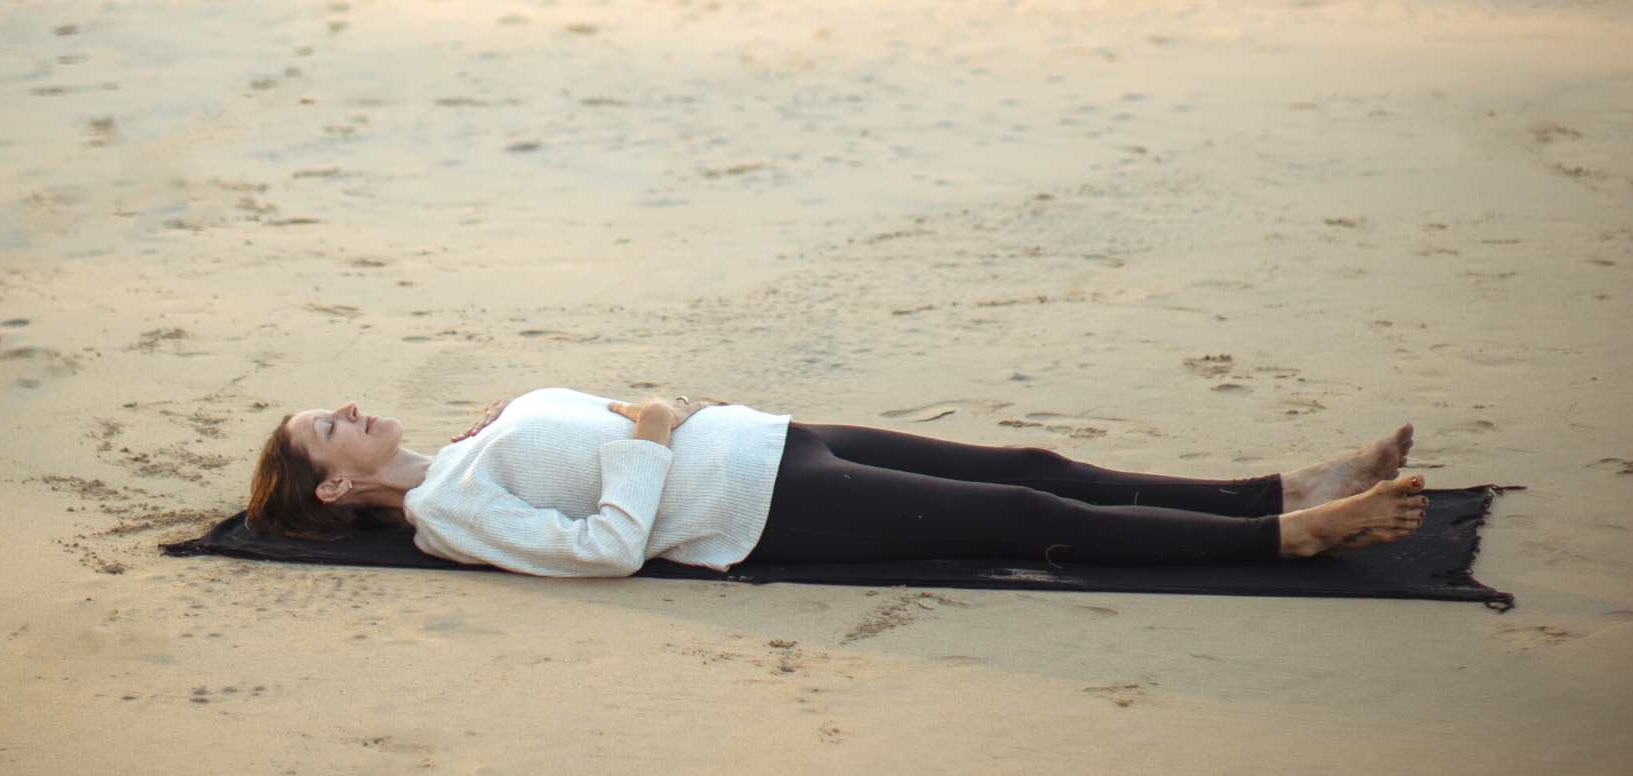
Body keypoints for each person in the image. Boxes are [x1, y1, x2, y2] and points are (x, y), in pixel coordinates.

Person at [245, 387, 1428, 577]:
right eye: (326, 430)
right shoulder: (449, 514)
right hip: (758, 509)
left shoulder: (459, 448)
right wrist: (645, 433)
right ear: (341, 491)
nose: (347, 408)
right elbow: (604, 549)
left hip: (768, 438)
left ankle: (1274, 487)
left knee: (1031, 462)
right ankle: (1286, 539)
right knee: (1026, 518)